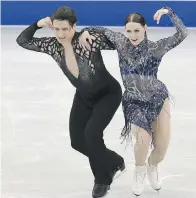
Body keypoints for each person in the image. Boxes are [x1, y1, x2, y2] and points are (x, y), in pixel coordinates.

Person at [16, 6, 126, 198]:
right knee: (77, 142)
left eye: (65, 29)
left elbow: (118, 39)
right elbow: (22, 41)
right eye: (57, 29)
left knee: (92, 134)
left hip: (107, 94)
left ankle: (102, 180)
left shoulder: (88, 40)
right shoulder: (52, 45)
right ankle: (115, 161)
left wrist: (88, 31)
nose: (60, 34)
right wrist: (37, 25)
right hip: (83, 96)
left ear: (73, 26)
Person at [79, 6, 188, 196]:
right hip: (133, 101)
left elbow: (183, 33)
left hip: (158, 99)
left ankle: (152, 166)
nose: (133, 34)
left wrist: (168, 12)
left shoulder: (156, 48)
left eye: (137, 30)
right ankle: (139, 171)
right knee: (142, 141)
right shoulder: (120, 43)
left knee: (160, 149)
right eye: (129, 30)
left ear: (145, 28)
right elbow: (98, 29)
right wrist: (84, 32)